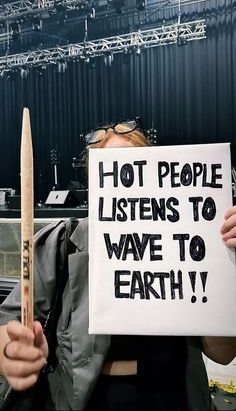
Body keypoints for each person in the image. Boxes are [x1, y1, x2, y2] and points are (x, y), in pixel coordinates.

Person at [0, 119, 236, 411]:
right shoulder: (60, 242)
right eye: (115, 173)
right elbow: (8, 323)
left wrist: (225, 260)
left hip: (175, 394)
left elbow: (223, 354)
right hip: (86, 398)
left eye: (136, 167)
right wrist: (14, 351)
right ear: (95, 182)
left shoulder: (191, 243)